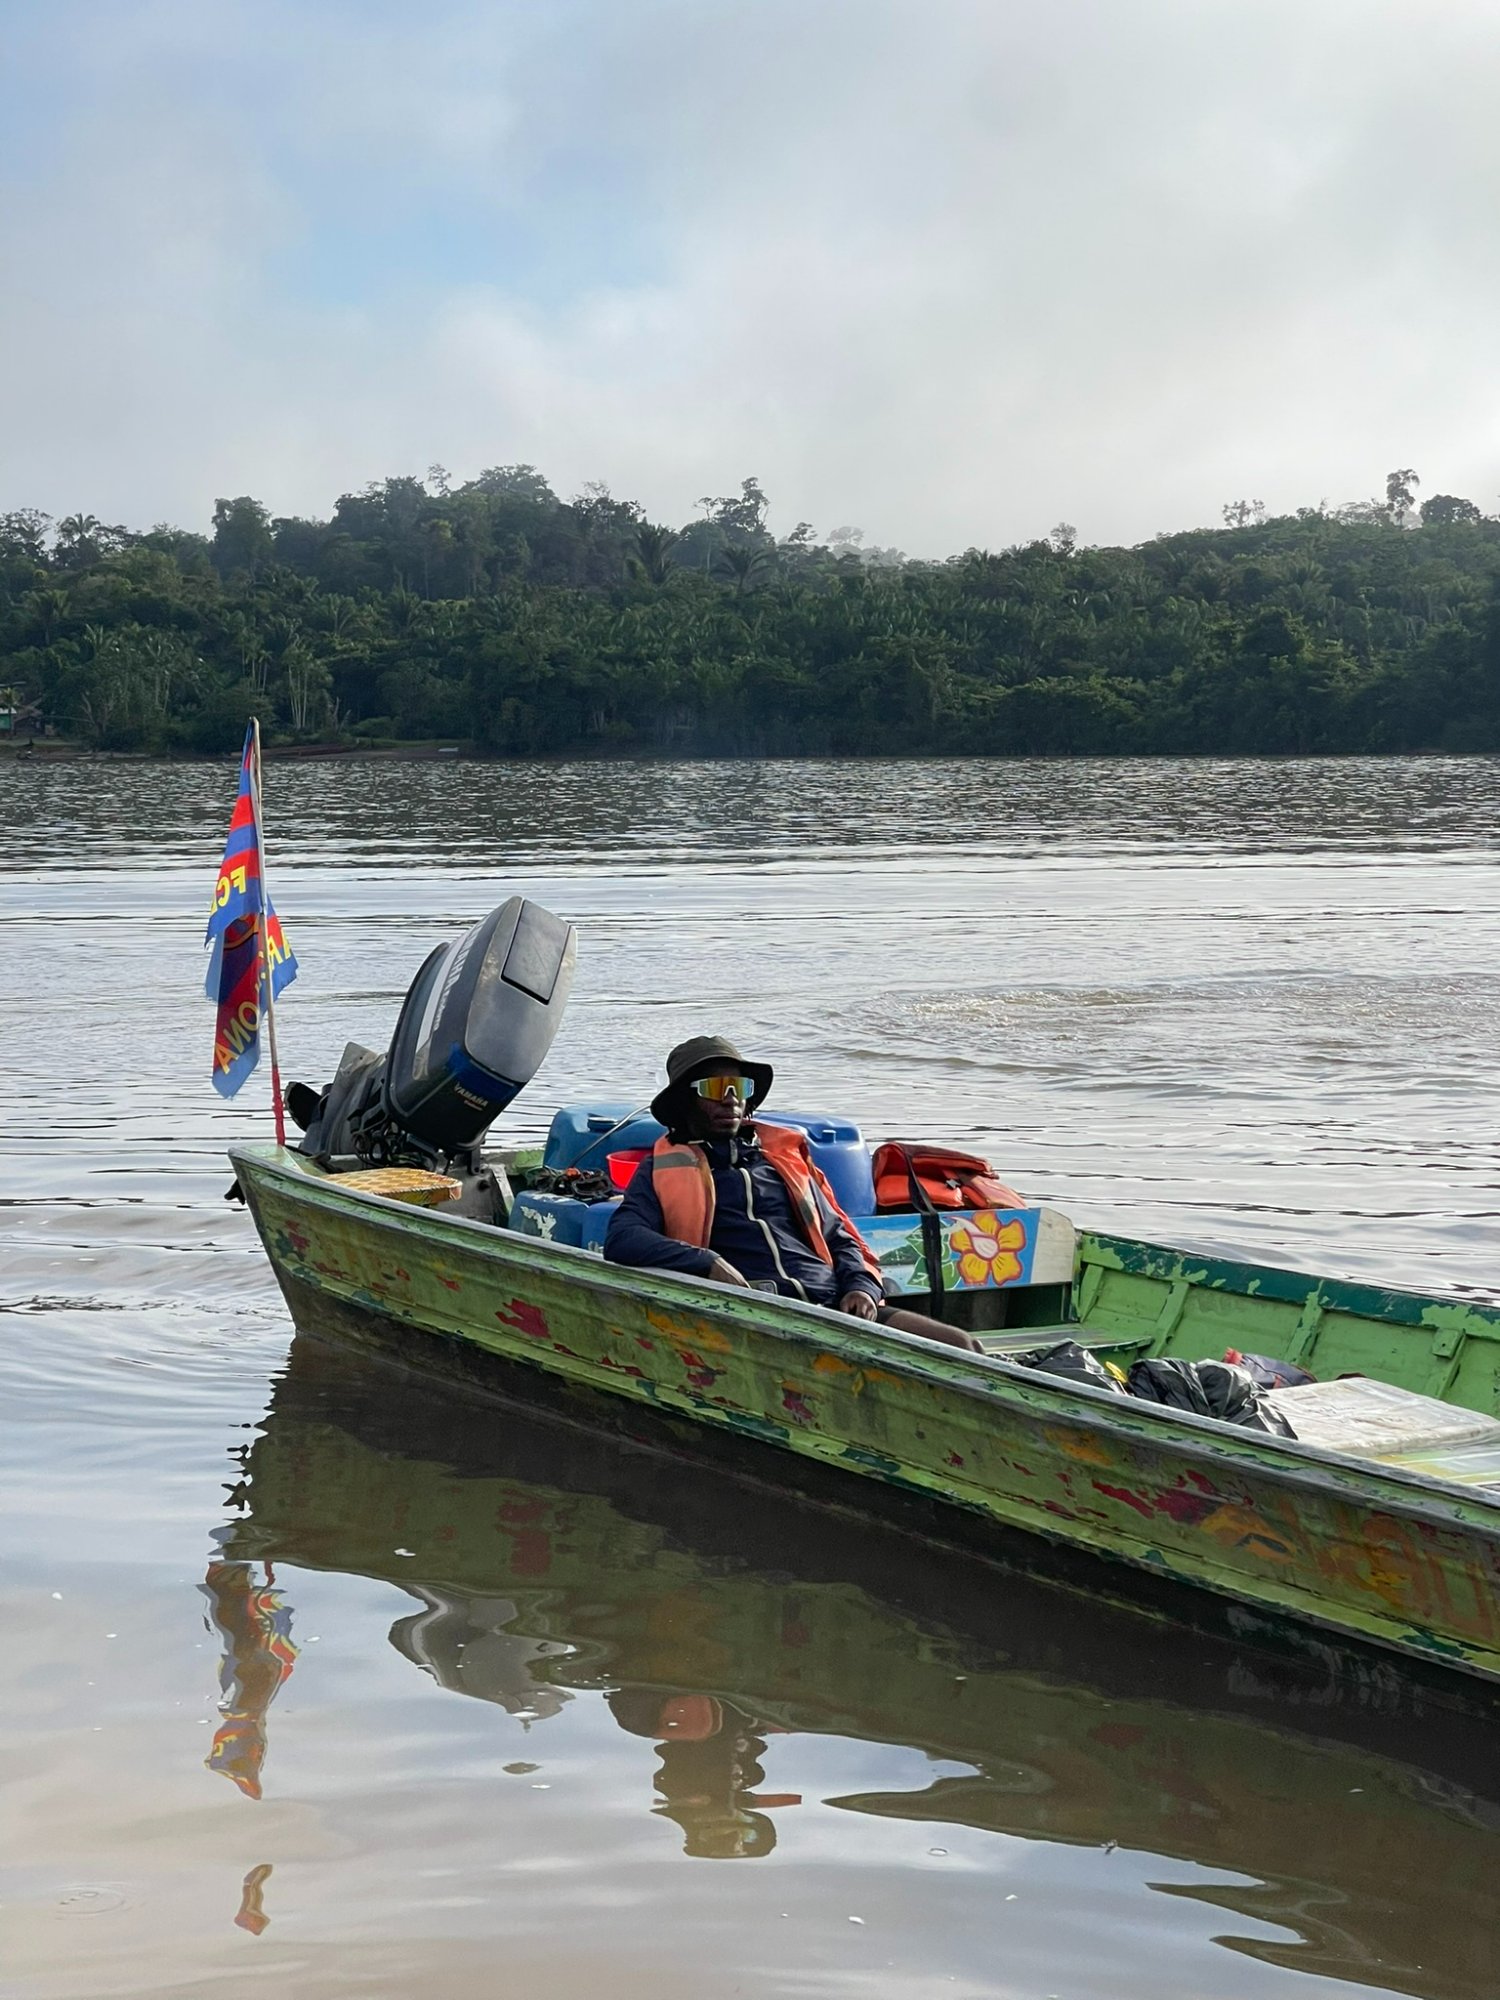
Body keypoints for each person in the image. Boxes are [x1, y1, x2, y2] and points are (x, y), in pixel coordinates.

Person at [604, 1036, 980, 1353]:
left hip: (835, 1305)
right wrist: (707, 1262)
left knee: (962, 1346)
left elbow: (839, 1236)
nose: (731, 1099)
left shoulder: (782, 1160)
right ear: (685, 1102)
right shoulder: (660, 1169)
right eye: (716, 1089)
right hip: (761, 1314)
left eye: (740, 1088)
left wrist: (861, 1288)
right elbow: (623, 1239)